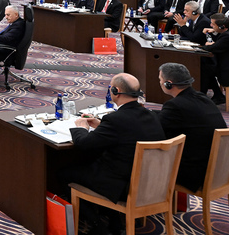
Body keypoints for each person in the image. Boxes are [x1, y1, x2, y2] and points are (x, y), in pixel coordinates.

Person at [61, 74, 165, 223]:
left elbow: (83, 143)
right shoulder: (152, 115)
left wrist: (81, 127)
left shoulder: (115, 120)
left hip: (122, 186)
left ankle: (97, 225)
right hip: (152, 183)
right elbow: (129, 132)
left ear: (116, 91)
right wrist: (101, 125)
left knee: (64, 173)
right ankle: (112, 219)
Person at [155, 62, 227, 191]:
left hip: (194, 174)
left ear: (168, 84)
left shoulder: (175, 105)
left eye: (160, 79)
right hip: (220, 170)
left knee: (143, 159)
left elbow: (156, 130)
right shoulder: (203, 98)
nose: (159, 83)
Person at [200, 13, 229, 104]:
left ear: (222, 26)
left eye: (213, 24)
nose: (211, 25)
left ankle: (202, 96)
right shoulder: (226, 33)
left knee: (205, 69)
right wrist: (214, 31)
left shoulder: (227, 36)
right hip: (223, 64)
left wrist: (202, 46)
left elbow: (212, 48)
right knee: (206, 67)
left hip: (226, 70)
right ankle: (217, 95)